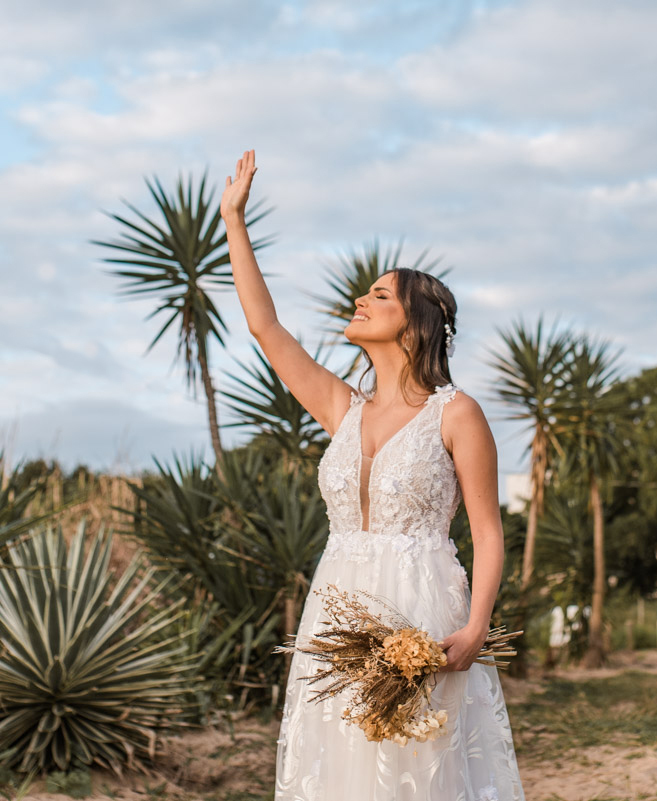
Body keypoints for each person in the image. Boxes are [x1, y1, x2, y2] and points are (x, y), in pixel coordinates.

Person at [221, 149, 524, 800]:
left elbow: (488, 531)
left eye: (380, 294)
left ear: (415, 325)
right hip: (339, 614)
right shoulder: (342, 408)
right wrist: (233, 221)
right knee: (342, 772)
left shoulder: (457, 414)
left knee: (419, 771)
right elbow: (264, 326)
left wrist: (474, 627)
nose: (362, 298)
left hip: (422, 608)